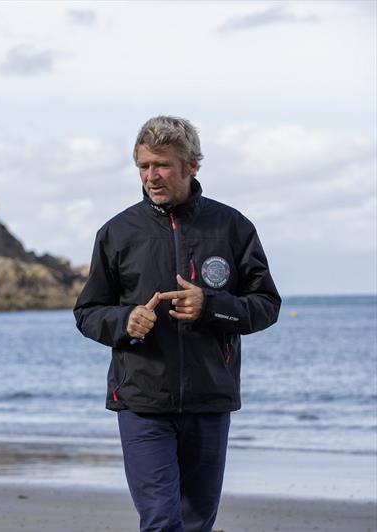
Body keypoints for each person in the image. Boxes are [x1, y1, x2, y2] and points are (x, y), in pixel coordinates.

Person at [74, 116, 280, 532]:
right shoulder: (117, 233)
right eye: (144, 166)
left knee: (196, 521)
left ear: (191, 166)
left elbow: (265, 304)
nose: (151, 176)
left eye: (162, 165)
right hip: (142, 400)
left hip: (209, 398)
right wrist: (124, 320)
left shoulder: (232, 227)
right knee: (161, 520)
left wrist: (212, 306)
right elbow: (88, 311)